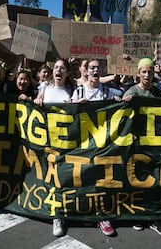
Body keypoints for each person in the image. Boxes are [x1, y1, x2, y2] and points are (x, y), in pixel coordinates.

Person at [70, 58, 121, 237]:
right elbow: (68, 114)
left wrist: (123, 100)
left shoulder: (108, 92)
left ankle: (102, 216)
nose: (95, 71)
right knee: (83, 177)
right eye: (92, 68)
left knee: (102, 179)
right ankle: (83, 210)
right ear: (86, 72)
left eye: (98, 68)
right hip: (83, 144)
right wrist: (75, 105)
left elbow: (122, 104)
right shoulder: (78, 91)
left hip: (103, 146)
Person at [122, 57, 161, 238]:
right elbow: (119, 113)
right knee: (137, 179)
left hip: (154, 145)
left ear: (153, 74)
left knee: (155, 179)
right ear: (138, 73)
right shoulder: (131, 91)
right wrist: (124, 101)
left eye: (150, 72)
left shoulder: (158, 93)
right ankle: (138, 214)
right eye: (144, 72)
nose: (147, 75)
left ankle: (154, 218)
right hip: (135, 145)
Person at [33, 59, 73, 237]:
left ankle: (62, 213)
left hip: (66, 142)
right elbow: (37, 101)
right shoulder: (44, 87)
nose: (58, 70)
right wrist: (36, 100)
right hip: (46, 141)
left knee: (62, 178)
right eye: (56, 67)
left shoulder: (72, 90)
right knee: (49, 177)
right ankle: (52, 212)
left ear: (68, 73)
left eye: (62, 68)